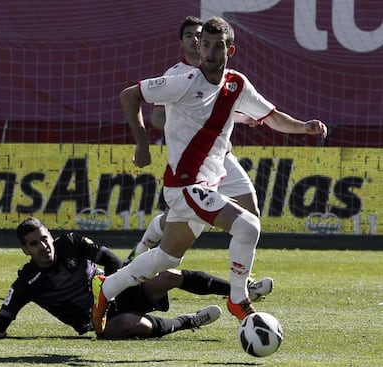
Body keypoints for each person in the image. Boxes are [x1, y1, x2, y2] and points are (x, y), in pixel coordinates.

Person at [92, 16, 328, 334]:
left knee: (166, 258)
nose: (211, 53)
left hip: (208, 181)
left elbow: (270, 117)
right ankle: (238, 298)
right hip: (186, 185)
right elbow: (128, 95)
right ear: (198, 47)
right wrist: (142, 144)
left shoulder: (237, 85)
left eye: (218, 47)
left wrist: (303, 126)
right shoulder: (183, 81)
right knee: (248, 226)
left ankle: (106, 289)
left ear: (231, 49)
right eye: (206, 46)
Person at [126, 16, 262, 261]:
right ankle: (140, 253)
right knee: (176, 224)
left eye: (200, 36)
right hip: (189, 160)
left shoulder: (223, 76)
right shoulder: (176, 75)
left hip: (221, 157)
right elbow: (158, 118)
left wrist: (243, 118)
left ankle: (243, 282)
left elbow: (219, 114)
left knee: (250, 213)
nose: (196, 40)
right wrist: (186, 131)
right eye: (190, 35)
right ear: (185, 43)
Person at [0, 217, 235, 340]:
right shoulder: (28, 282)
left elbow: (113, 261)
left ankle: (239, 289)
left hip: (116, 290)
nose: (43, 246)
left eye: (44, 239)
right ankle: (186, 321)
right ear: (25, 250)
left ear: (50, 236)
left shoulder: (71, 243)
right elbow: (3, 317)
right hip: (99, 320)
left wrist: (113, 286)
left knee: (169, 276)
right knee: (131, 324)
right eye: (34, 244)